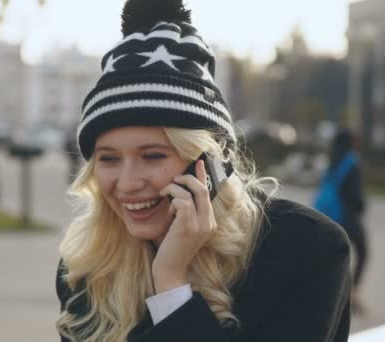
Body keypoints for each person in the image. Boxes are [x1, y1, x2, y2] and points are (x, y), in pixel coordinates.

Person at [55, 1, 351, 341]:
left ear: (211, 164)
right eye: (108, 159)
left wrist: (171, 286)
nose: (128, 183)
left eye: (152, 156)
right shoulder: (86, 267)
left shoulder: (306, 249)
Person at [326, 129, 369, 314]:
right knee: (363, 253)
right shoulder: (352, 162)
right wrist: (361, 207)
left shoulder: (332, 160)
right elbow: (354, 195)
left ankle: (335, 295)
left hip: (331, 216)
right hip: (348, 217)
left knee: (337, 256)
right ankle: (351, 295)